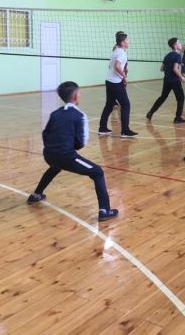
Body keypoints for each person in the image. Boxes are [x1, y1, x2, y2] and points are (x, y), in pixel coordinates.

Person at [27, 81, 119, 222]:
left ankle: (36, 195)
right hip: (66, 156)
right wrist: (69, 149)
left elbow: (45, 133)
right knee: (97, 172)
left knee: (55, 166)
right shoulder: (80, 115)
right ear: (76, 96)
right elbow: (82, 141)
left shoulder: (55, 114)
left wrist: (53, 147)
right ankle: (105, 210)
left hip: (49, 154)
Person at [98, 31, 137, 138]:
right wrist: (124, 77)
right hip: (115, 82)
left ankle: (102, 128)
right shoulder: (121, 53)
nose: (128, 41)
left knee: (109, 104)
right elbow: (116, 65)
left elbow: (111, 66)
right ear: (123, 42)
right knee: (126, 104)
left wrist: (123, 72)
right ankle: (125, 130)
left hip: (109, 81)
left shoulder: (115, 51)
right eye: (127, 40)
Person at [146, 37, 185, 123]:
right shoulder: (177, 56)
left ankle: (151, 112)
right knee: (181, 98)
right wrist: (181, 77)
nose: (180, 44)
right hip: (175, 81)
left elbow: (161, 69)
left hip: (167, 80)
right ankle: (178, 117)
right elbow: (175, 69)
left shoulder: (167, 56)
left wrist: (170, 67)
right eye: (179, 43)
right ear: (175, 45)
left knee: (163, 97)